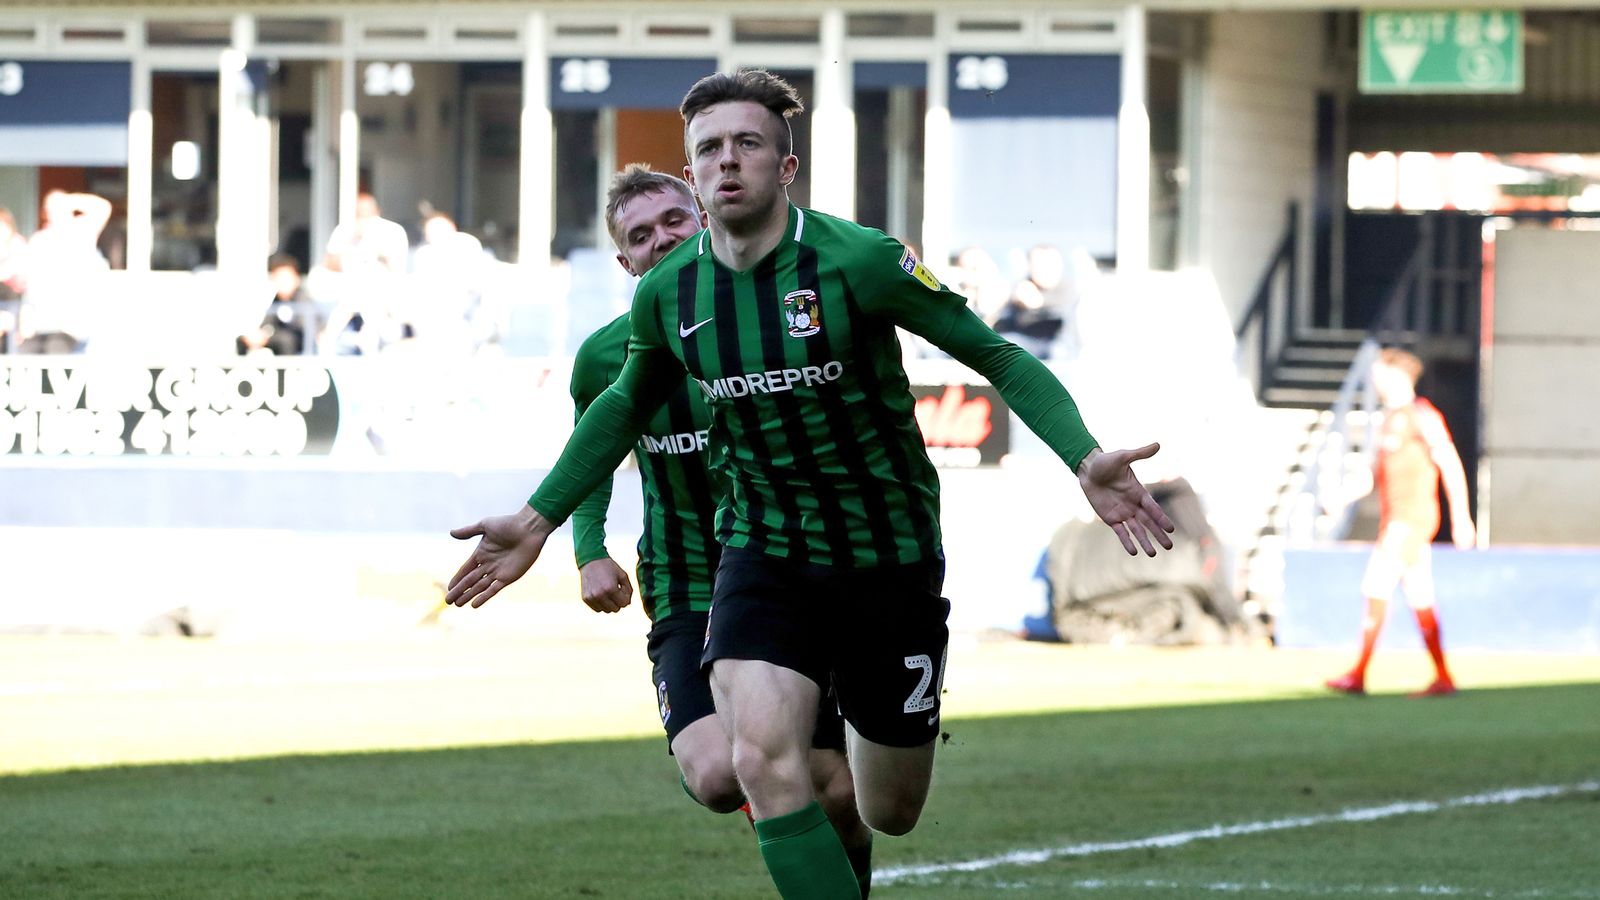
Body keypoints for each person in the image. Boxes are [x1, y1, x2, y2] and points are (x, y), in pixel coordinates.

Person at [447, 69, 1173, 900]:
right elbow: (620, 407)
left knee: (887, 808)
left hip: (885, 554)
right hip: (763, 548)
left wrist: (1084, 456)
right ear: (692, 173)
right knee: (755, 760)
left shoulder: (859, 260)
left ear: (786, 166)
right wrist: (540, 521)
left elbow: (996, 354)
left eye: (747, 144)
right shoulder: (668, 295)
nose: (727, 161)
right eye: (709, 149)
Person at [570, 163, 873, 893]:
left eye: (673, 220)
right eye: (640, 235)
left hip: (788, 568)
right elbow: (590, 454)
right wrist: (589, 551)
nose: (660, 238)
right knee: (716, 775)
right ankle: (770, 788)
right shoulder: (604, 357)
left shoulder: (763, 327)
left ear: (703, 218)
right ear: (625, 262)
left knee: (838, 791)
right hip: (686, 585)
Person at [1327, 348, 1473, 698]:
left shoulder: (1422, 415)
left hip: (1412, 518)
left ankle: (1358, 673)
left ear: (1398, 375)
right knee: (1420, 594)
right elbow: (1372, 478)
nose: (1375, 380)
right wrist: (1341, 499)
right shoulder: (1387, 420)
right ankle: (1443, 677)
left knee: (1375, 584)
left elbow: (1449, 463)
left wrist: (1462, 516)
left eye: (1380, 373)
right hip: (1397, 518)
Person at [237, 253, 311, 356]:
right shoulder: (277, 300)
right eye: (278, 278)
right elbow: (267, 323)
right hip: (278, 339)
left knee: (286, 340)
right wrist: (259, 335)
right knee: (243, 340)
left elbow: (305, 328)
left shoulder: (302, 300)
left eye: (285, 278)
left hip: (298, 343)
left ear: (296, 278)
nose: (282, 283)